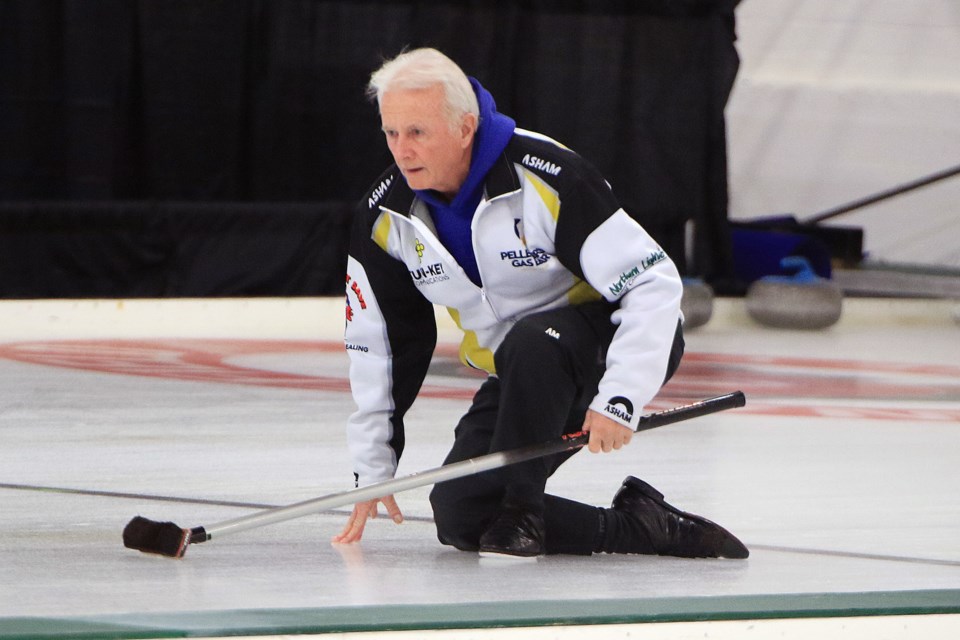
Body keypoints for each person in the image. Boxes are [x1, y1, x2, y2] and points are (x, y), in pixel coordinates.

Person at [334, 47, 747, 559]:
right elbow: (379, 344)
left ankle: (522, 509)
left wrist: (620, 395)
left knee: (534, 342)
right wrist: (373, 465)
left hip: (605, 349)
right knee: (461, 513)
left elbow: (652, 284)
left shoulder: (548, 175)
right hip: (521, 371)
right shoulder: (385, 216)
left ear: (465, 128)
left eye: (417, 132)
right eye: (391, 133)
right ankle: (639, 525)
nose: (401, 149)